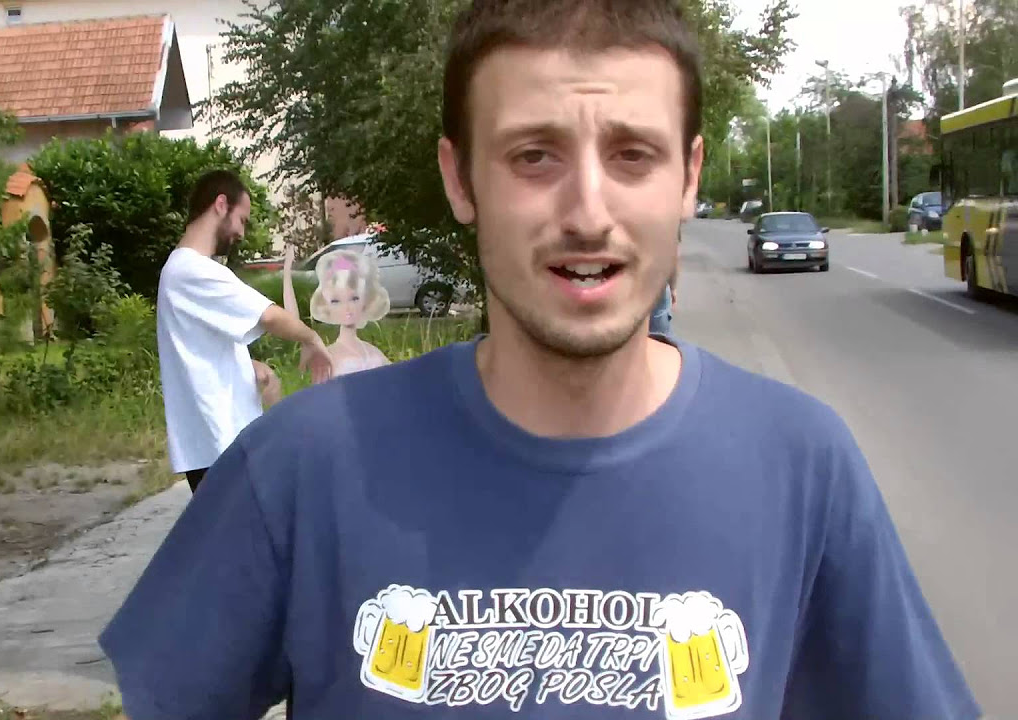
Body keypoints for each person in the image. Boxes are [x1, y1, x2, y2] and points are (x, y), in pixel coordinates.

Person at [103, 3, 980, 719]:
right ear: (460, 180)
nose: (587, 213)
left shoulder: (802, 467)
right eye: (534, 156)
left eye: (632, 154)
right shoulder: (301, 466)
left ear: (687, 177)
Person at [155, 169, 332, 493]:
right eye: (242, 219)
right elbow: (270, 316)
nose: (241, 232)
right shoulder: (192, 269)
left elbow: (196, 348)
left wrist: (250, 367)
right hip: (219, 444)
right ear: (221, 205)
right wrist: (312, 338)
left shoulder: (182, 271)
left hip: (219, 444)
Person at [282, 245, 392, 379]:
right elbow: (294, 325)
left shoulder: (374, 353)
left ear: (365, 300)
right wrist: (287, 273)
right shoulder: (324, 355)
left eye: (354, 298)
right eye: (336, 301)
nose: (347, 307)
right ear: (325, 305)